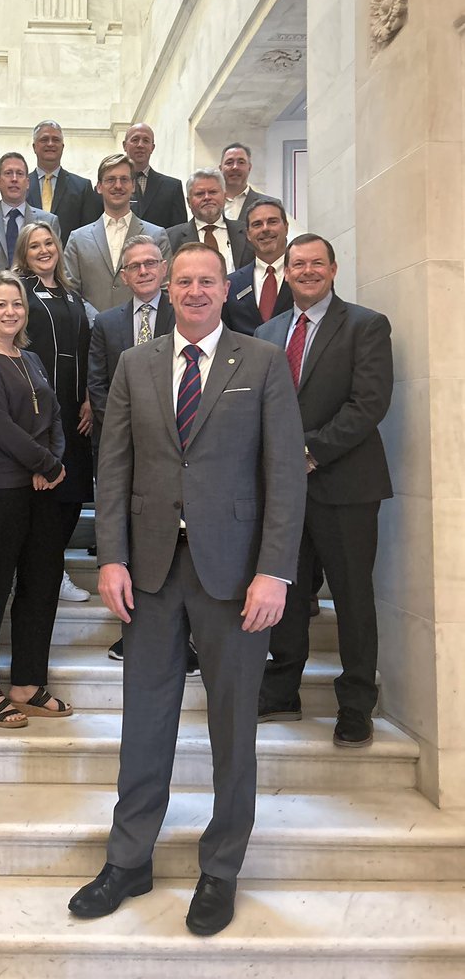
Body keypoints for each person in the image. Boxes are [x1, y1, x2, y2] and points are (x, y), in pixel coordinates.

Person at [69, 242, 306, 936]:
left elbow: (284, 475)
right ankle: (129, 858)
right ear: (165, 290)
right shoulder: (135, 364)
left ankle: (222, 866)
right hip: (148, 573)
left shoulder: (260, 361)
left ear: (221, 287)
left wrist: (275, 569)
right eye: (184, 282)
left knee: (233, 723)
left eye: (207, 280)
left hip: (235, 574)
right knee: (144, 722)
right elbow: (111, 472)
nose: (196, 291)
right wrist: (108, 557)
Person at [255, 234, 393, 748]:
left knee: (353, 597)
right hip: (283, 491)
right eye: (298, 264)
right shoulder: (267, 332)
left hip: (346, 486)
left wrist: (307, 453)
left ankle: (356, 704)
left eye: (317, 263)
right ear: (285, 272)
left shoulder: (366, 325)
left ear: (333, 269)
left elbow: (369, 404)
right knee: (284, 594)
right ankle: (281, 688)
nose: (307, 271)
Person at [0, 272, 70, 728]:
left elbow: (56, 416)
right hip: (0, 488)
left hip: (44, 488)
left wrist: (55, 461)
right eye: (1, 304)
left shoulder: (32, 358)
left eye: (18, 305)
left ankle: (26, 682)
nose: (10, 312)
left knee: (41, 585)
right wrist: (44, 464)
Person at [86, 234, 174, 662]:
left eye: (150, 263)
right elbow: (98, 386)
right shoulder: (106, 323)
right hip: (124, 447)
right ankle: (133, 630)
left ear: (163, 268)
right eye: (134, 265)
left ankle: (182, 635)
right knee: (129, 541)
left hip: (177, 450)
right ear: (123, 275)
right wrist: (132, 430)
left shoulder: (185, 314)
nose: (143, 271)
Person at [13, 222, 94, 603]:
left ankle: (53, 566)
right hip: (38, 409)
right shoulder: (20, 294)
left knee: (73, 493)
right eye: (34, 246)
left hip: (76, 410)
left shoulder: (73, 297)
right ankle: (42, 571)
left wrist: (91, 398)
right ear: (23, 255)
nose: (44, 250)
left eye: (48, 243)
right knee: (46, 495)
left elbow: (88, 350)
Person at [63, 153, 170, 312]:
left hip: (144, 331)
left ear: (133, 186)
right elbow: (70, 292)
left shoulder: (156, 235)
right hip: (92, 332)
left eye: (124, 179)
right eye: (110, 180)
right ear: (99, 187)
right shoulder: (77, 239)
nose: (118, 186)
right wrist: (97, 322)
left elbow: (165, 289)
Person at [0, 151, 61, 283]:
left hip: (37, 297)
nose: (14, 179)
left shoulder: (48, 221)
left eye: (19, 174)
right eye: (8, 173)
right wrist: (0, 285)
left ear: (27, 183)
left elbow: (55, 265)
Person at [223, 198, 294, 335]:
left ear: (286, 227)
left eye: (272, 222)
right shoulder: (232, 284)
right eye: (257, 224)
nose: (265, 229)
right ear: (248, 234)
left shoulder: (304, 277)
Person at [26, 119, 102, 244]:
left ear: (62, 147)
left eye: (56, 140)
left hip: (70, 260)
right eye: (44, 140)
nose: (50, 144)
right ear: (34, 147)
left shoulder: (82, 187)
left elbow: (89, 233)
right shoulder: (22, 186)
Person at [166, 168, 254, 272]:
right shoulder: (170, 238)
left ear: (224, 196)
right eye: (200, 194)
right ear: (189, 202)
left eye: (213, 192)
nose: (207, 197)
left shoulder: (247, 232)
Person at [123, 122, 186, 229]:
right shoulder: (109, 186)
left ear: (152, 147)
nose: (140, 145)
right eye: (135, 140)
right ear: (125, 145)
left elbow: (179, 232)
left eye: (146, 141)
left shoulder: (172, 187)